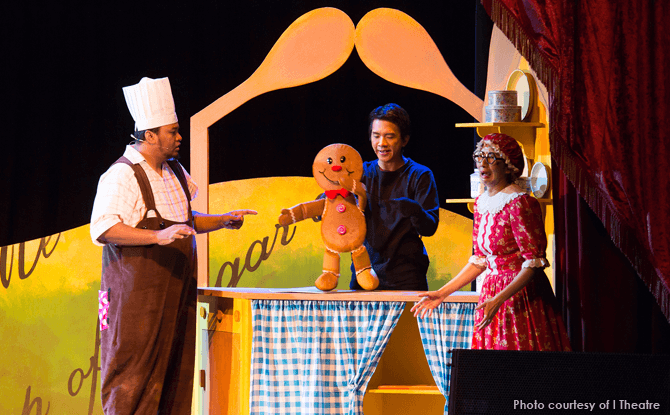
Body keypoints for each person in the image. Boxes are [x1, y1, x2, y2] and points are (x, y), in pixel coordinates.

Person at [90, 77, 257, 414]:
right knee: (130, 379)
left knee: (175, 377)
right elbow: (104, 228)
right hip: (130, 305)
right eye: (173, 131)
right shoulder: (122, 175)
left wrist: (223, 220)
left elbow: (185, 220)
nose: (179, 137)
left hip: (175, 297)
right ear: (150, 136)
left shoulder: (174, 171)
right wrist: (156, 236)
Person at [411, 133, 571, 351]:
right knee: (490, 363)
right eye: (479, 156)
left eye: (491, 157)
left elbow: (534, 263)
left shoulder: (520, 203)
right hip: (490, 292)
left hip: (519, 296)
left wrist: (499, 299)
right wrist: (442, 293)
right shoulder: (481, 204)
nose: (482, 163)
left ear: (508, 165)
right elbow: (480, 260)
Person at [349, 103, 440, 291]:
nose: (381, 143)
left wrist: (414, 210)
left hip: (406, 276)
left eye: (389, 136)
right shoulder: (360, 173)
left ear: (404, 139)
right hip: (364, 273)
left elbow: (429, 227)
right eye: (376, 136)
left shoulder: (420, 175)